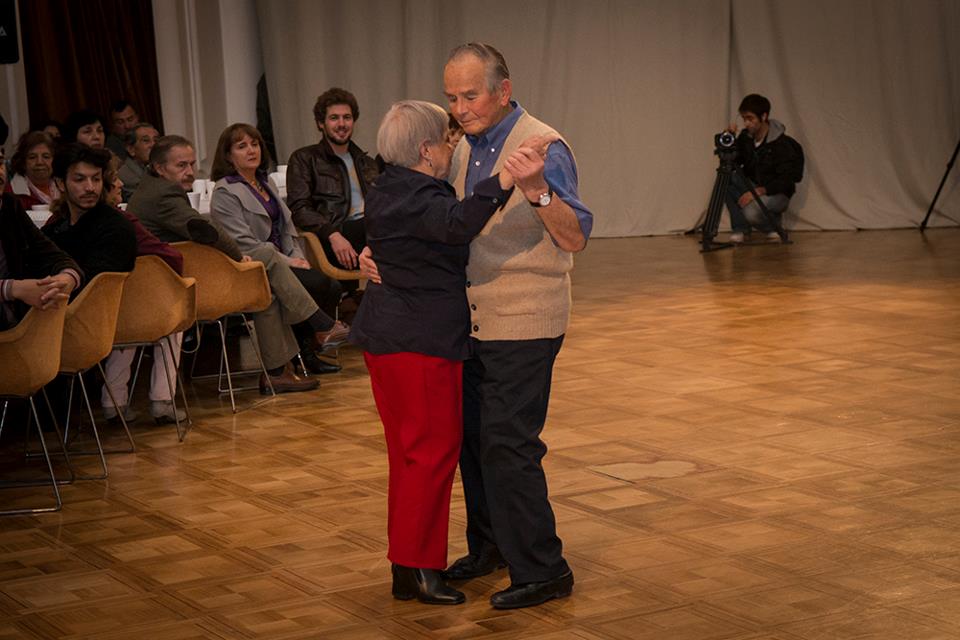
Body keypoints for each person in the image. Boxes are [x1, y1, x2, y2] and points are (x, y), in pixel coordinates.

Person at [361, 43, 593, 610]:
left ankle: (543, 568)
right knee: (471, 446)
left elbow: (575, 236)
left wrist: (536, 188)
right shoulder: (457, 147)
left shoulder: (543, 145)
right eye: (451, 98)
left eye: (470, 96)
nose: (458, 109)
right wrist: (377, 255)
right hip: (465, 323)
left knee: (509, 447)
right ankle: (490, 547)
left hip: (524, 316)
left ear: (503, 90)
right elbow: (422, 217)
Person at [129, 135, 333, 390]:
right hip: (177, 286)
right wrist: (237, 255)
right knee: (266, 259)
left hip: (180, 276)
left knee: (265, 286)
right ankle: (320, 327)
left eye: (192, 164)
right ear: (159, 168)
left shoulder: (151, 187)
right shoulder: (164, 194)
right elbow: (205, 230)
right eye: (181, 166)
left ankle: (281, 369)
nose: (190, 172)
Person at [210, 123, 349, 371]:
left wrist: (297, 256)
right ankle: (316, 338)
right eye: (242, 146)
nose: (251, 150)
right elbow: (244, 243)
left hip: (283, 260)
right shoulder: (224, 192)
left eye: (254, 144)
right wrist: (288, 262)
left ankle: (310, 352)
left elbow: (287, 228)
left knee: (331, 285)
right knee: (318, 284)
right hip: (253, 267)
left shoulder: (266, 183)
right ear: (228, 155)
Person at [99, 153, 186, 424]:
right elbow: (170, 255)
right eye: (114, 179)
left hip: (90, 312)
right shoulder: (121, 220)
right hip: (110, 315)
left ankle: (113, 401)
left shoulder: (62, 220)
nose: (120, 184)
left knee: (132, 318)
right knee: (172, 319)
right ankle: (162, 399)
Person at [287, 88, 380, 283]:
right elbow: (299, 208)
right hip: (334, 237)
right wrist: (332, 234)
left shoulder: (367, 162)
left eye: (347, 117)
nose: (342, 124)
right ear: (321, 123)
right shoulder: (304, 159)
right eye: (334, 118)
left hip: (371, 234)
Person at [0, 145, 80, 331]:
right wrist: (14, 289)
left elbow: (51, 254)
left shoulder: (9, 206)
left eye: (0, 162)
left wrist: (65, 279)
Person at [42, 144, 137, 286]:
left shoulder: (116, 228)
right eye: (79, 180)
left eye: (96, 179)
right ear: (61, 183)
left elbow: (95, 287)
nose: (90, 188)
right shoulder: (55, 227)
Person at [725, 93, 804, 243]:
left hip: (777, 193)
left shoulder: (782, 144)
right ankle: (740, 229)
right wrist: (730, 141)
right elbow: (735, 161)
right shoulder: (745, 138)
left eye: (750, 118)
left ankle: (774, 228)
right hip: (755, 186)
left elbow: (788, 179)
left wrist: (758, 191)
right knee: (726, 178)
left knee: (751, 214)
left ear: (764, 116)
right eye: (744, 119)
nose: (746, 123)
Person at [7, 131, 60, 211]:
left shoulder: (65, 188)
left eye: (46, 157)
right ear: (23, 162)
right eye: (32, 157)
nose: (39, 162)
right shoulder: (10, 193)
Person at [118, 122, 159, 202]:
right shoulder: (126, 175)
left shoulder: (156, 167)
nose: (153, 144)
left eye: (156, 140)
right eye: (146, 140)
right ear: (131, 149)